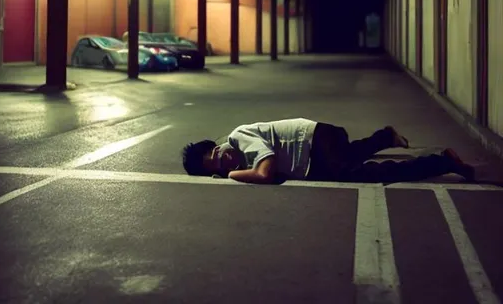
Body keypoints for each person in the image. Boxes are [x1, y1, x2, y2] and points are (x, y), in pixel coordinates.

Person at [181, 118, 475, 185]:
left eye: (218, 154)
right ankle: (385, 136)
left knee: (355, 172)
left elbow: (265, 171)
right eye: (218, 166)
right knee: (349, 157)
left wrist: (232, 174)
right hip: (313, 155)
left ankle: (441, 162)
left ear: (219, 145)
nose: (225, 160)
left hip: (317, 139)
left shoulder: (238, 137)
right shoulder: (233, 157)